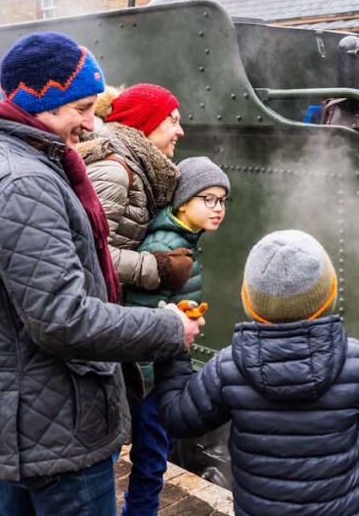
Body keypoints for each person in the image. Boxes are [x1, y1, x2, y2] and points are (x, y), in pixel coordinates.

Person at [0, 31, 203, 516]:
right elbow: (63, 318)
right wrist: (167, 328)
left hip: (29, 421)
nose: (92, 123)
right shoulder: (25, 184)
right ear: (40, 101)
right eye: (81, 108)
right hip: (58, 426)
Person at [155, 230, 359, 516]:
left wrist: (175, 341)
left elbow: (177, 417)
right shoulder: (356, 360)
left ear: (249, 300)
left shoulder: (228, 367)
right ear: (329, 294)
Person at [77, 83, 196, 515]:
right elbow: (90, 251)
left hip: (113, 315)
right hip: (101, 320)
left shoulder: (138, 168)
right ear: (146, 125)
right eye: (172, 120)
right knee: (106, 439)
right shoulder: (116, 171)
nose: (179, 131)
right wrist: (156, 268)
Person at [122, 156, 231, 516]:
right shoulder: (167, 243)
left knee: (152, 462)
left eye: (222, 201)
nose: (218, 209)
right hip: (151, 378)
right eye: (208, 199)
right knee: (151, 463)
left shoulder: (183, 237)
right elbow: (141, 314)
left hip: (158, 369)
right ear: (184, 201)